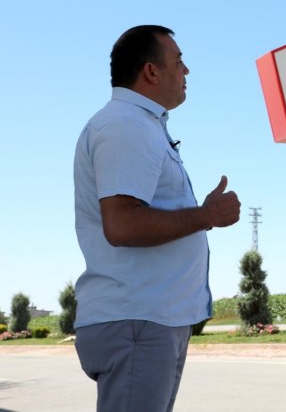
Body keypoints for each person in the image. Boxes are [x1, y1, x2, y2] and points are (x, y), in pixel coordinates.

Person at [73, 25, 242, 412]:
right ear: (151, 72)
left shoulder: (139, 125)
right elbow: (122, 225)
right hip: (137, 320)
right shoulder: (125, 126)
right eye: (179, 62)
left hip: (146, 321)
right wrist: (205, 216)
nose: (186, 72)